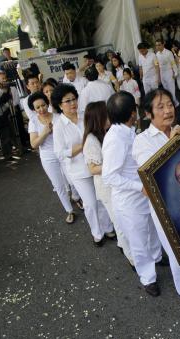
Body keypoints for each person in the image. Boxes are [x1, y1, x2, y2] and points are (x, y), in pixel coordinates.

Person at [132, 88, 180, 319]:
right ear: (148, 114)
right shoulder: (141, 141)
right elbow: (152, 172)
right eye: (160, 107)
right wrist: (175, 143)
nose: (168, 110)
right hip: (166, 208)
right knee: (179, 251)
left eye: (169, 104)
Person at [102, 91, 164, 297]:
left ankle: (157, 257)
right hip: (130, 199)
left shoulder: (127, 130)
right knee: (138, 241)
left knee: (154, 228)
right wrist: (140, 188)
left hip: (144, 193)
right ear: (132, 113)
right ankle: (148, 278)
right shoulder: (115, 139)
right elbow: (109, 177)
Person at [51, 83, 115, 246]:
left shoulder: (84, 115)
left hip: (96, 163)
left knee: (101, 198)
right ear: (60, 105)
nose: (72, 103)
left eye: (74, 99)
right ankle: (97, 233)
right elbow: (59, 152)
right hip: (78, 170)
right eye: (67, 101)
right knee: (90, 203)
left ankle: (107, 228)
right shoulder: (59, 126)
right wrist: (82, 145)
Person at [82, 101, 134, 266]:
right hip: (107, 187)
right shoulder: (91, 139)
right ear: (98, 118)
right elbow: (92, 168)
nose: (110, 117)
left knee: (129, 221)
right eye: (106, 115)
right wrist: (115, 163)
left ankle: (128, 247)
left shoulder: (110, 132)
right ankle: (132, 259)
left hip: (120, 184)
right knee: (121, 225)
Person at [27, 91, 75, 224]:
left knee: (72, 179)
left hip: (63, 152)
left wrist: (57, 131)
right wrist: (44, 132)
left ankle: (76, 197)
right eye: (37, 107)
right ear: (33, 109)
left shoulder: (58, 116)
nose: (41, 109)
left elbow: (68, 135)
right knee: (58, 185)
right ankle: (69, 210)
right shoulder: (33, 122)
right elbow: (34, 144)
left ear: (47, 104)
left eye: (43, 105)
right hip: (48, 156)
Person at [155, 39, 179, 105]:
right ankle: (169, 103)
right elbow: (157, 65)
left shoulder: (168, 53)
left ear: (163, 44)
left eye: (159, 45)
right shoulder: (157, 54)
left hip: (169, 72)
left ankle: (174, 103)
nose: (157, 47)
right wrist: (158, 76)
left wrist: (175, 72)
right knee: (165, 89)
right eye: (156, 45)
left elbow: (173, 63)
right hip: (162, 73)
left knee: (171, 89)